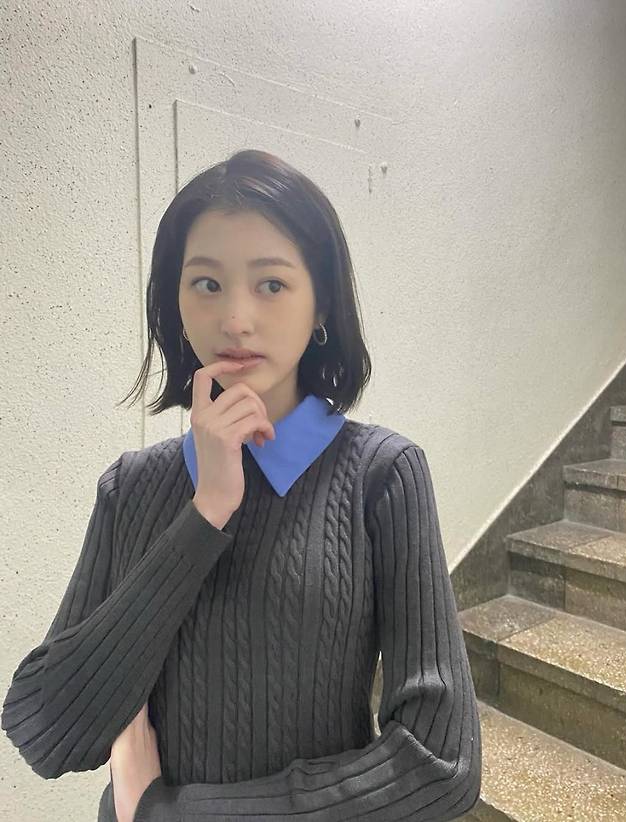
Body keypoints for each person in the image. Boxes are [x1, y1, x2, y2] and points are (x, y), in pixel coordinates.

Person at [1, 149, 482, 821]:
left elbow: (439, 765)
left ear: (321, 304)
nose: (235, 319)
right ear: (175, 302)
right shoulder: (130, 488)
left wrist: (170, 813)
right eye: (206, 283)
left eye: (271, 284)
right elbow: (47, 731)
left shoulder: (382, 475)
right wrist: (205, 515)